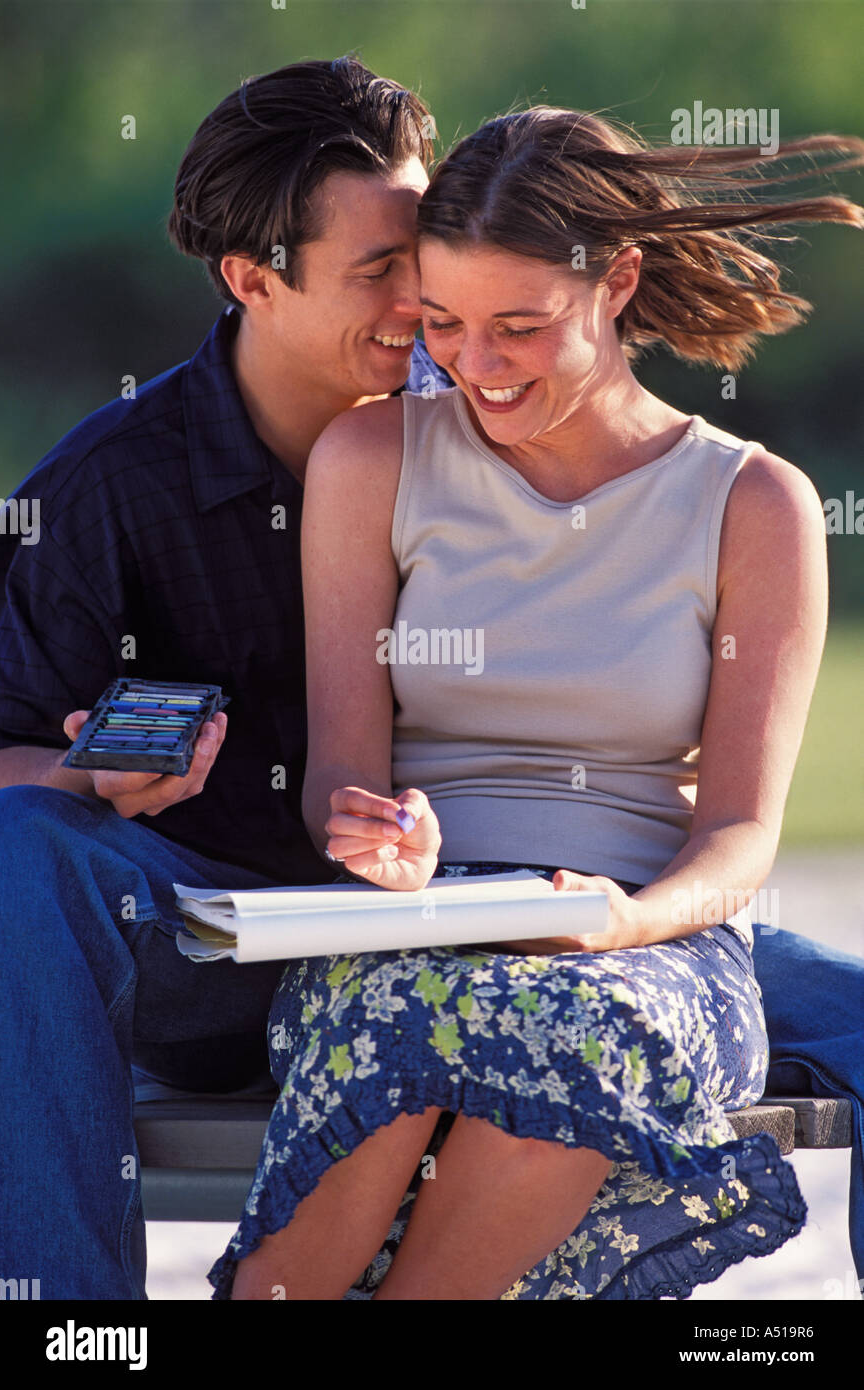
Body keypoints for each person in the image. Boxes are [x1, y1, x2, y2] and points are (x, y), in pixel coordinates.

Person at [211, 107, 864, 1301]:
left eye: (520, 326)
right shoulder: (371, 463)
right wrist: (378, 842)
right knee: (403, 1020)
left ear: (615, 283)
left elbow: (737, 837)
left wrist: (617, 920)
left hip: (646, 940)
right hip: (411, 929)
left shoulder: (753, 503)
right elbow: (335, 781)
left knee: (574, 1033)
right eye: (445, 325)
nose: (477, 364)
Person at [0, 57, 453, 1300]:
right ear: (253, 280)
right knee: (26, 840)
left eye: (431, 248)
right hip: (217, 957)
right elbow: (5, 752)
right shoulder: (104, 487)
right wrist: (84, 776)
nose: (426, 297)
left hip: (476, 928)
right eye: (379, 271)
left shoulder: (500, 419)